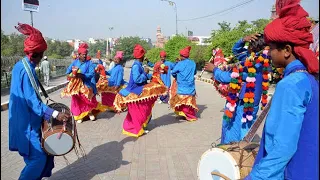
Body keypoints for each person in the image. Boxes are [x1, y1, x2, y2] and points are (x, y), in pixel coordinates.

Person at [244, 1, 319, 179]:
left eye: (271, 48)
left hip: (294, 172)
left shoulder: (291, 84)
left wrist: (255, 178)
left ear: (286, 50)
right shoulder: (308, 78)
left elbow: (282, 147)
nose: (268, 53)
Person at [8, 23, 69, 180]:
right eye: (41, 53)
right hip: (26, 124)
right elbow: (32, 101)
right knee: (38, 159)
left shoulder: (23, 65)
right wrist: (55, 114)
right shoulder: (25, 69)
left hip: (27, 120)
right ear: (35, 54)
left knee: (41, 158)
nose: (42, 56)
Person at [204, 34, 267, 144]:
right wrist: (242, 40)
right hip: (245, 102)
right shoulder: (259, 60)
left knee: (237, 131)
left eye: (249, 45)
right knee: (239, 129)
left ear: (253, 48)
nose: (247, 48)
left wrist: (214, 69)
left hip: (244, 105)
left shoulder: (252, 64)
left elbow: (227, 77)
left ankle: (234, 153)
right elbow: (236, 50)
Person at [113, 44, 167, 137]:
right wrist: (145, 74)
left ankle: (138, 126)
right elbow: (137, 79)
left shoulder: (139, 65)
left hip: (139, 89)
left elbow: (144, 77)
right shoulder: (136, 66)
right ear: (142, 56)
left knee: (143, 109)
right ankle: (136, 129)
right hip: (135, 91)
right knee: (139, 111)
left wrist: (153, 75)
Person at [61, 43, 106, 123]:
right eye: (83, 55)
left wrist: (82, 75)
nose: (84, 56)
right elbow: (67, 72)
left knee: (87, 99)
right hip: (76, 85)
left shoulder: (89, 64)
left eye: (85, 54)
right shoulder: (74, 62)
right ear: (79, 55)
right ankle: (79, 115)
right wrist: (71, 75)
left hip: (87, 83)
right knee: (77, 99)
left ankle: (89, 112)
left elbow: (91, 74)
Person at [169, 46, 198, 121]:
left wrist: (176, 77)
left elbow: (173, 72)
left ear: (181, 56)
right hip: (190, 86)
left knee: (181, 101)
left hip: (182, 86)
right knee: (188, 102)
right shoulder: (193, 63)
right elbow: (195, 72)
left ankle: (185, 115)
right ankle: (187, 115)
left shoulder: (180, 64)